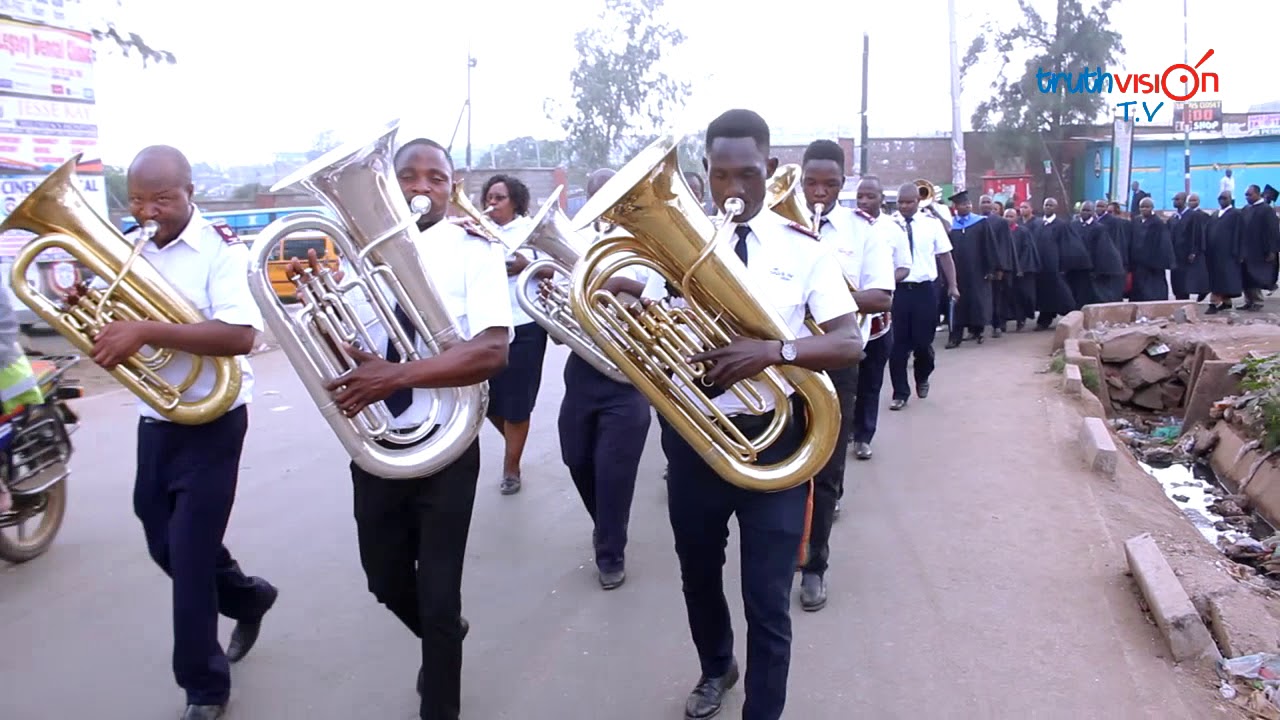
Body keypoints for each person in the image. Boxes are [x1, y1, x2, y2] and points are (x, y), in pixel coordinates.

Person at [641, 109, 862, 720]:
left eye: (747, 174)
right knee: (698, 574)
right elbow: (643, 320)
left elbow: (848, 341)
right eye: (720, 175)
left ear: (769, 169)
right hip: (694, 436)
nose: (733, 189)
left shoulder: (803, 248)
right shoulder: (673, 247)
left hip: (778, 437)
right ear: (705, 175)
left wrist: (773, 351)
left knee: (766, 596)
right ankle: (717, 666)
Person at [291, 137, 513, 720]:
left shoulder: (476, 248)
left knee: (439, 598)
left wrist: (398, 377)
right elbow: (360, 351)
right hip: (380, 444)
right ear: (390, 185)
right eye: (408, 177)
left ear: (451, 185)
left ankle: (440, 692)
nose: (421, 188)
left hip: (449, 444)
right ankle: (445, 636)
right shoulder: (357, 253)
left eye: (434, 178)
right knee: (384, 580)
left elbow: (491, 352)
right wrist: (319, 308)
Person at [65, 145, 278, 720]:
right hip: (157, 416)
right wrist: (89, 311)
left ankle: (204, 688)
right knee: (161, 538)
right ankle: (248, 596)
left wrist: (144, 330)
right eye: (137, 199)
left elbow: (239, 335)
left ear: (189, 193)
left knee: (187, 559)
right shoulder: (128, 249)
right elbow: (120, 324)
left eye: (162, 198)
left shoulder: (220, 251)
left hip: (215, 418)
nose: (149, 211)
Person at [794, 139, 892, 611]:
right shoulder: (779, 227)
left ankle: (816, 566)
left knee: (828, 468)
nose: (819, 193)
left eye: (830, 184)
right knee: (784, 461)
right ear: (799, 177)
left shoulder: (864, 231)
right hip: (786, 358)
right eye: (811, 182)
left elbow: (881, 297)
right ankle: (788, 545)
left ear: (842, 182)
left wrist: (824, 297)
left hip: (838, 359)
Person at [557, 167, 652, 591]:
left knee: (613, 471)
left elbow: (665, 293)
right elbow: (563, 320)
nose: (605, 210)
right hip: (582, 371)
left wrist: (613, 282)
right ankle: (607, 525)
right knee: (576, 459)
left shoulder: (651, 244)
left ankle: (611, 549)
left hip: (630, 374)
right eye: (597, 200)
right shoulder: (582, 246)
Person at [482, 173, 547, 495]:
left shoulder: (530, 231)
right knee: (490, 402)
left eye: (499, 198)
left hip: (526, 325)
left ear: (516, 202)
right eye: (489, 198)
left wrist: (527, 265)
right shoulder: (477, 231)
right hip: (488, 326)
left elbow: (558, 268)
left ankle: (511, 468)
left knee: (518, 403)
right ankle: (514, 445)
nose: (491, 204)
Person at [846, 176, 910, 461]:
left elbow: (904, 267)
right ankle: (845, 428)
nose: (863, 202)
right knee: (846, 382)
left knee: (871, 381)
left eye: (870, 196)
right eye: (860, 196)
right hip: (845, 320)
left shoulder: (892, 228)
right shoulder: (846, 226)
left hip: (877, 322)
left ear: (881, 198)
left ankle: (864, 436)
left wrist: (880, 283)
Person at [889, 182, 956, 407]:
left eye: (909, 202)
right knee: (897, 345)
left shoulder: (931, 224)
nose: (904, 206)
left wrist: (953, 286)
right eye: (901, 202)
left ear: (918, 201)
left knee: (923, 342)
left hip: (925, 290)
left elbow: (945, 256)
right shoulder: (888, 225)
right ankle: (900, 393)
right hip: (898, 291)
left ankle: (923, 375)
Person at [943, 190, 998, 347]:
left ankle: (978, 331)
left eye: (968, 203)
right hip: (956, 272)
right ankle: (955, 337)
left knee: (977, 302)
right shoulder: (950, 225)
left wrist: (990, 269)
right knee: (956, 303)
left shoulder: (980, 222)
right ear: (955, 207)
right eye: (963, 204)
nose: (967, 206)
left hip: (977, 270)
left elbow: (989, 246)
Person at [1129, 196, 1176, 302]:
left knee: (1153, 289)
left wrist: (1160, 261)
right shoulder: (1136, 221)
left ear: (1152, 208)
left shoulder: (1158, 223)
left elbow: (1164, 244)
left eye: (1147, 207)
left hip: (1153, 264)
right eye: (1142, 207)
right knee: (1138, 288)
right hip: (1138, 263)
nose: (1144, 209)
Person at [1205, 191, 1244, 313]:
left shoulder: (1236, 214)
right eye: (1220, 198)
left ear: (1230, 199)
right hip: (1214, 253)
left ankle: (1213, 304)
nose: (1222, 200)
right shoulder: (1216, 214)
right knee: (1217, 278)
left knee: (1226, 278)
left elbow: (1240, 235)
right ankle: (1226, 302)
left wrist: (1239, 252)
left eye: (1224, 198)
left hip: (1229, 253)